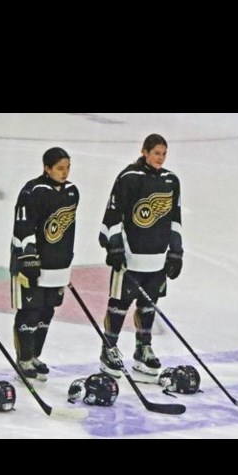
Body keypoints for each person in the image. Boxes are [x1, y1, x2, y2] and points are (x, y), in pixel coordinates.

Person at [98, 134, 182, 378]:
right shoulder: (129, 177)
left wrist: (176, 251)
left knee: (148, 305)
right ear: (145, 152)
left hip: (157, 258)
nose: (161, 158)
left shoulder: (170, 181)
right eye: (156, 153)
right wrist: (114, 247)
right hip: (131, 257)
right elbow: (113, 215)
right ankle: (109, 349)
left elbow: (174, 219)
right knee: (119, 305)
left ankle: (143, 348)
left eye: (164, 154)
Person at [10, 147, 79, 381]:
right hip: (33, 265)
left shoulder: (71, 192)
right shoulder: (33, 191)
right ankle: (24, 357)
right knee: (30, 311)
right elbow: (23, 226)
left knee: (47, 311)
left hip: (57, 265)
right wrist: (28, 258)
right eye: (60, 168)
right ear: (46, 168)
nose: (65, 172)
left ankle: (35, 355)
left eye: (67, 167)